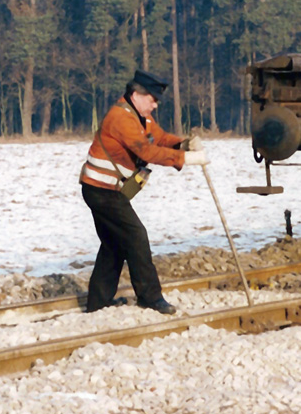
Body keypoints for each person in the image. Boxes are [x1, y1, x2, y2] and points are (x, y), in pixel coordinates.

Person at [79, 69, 208, 314]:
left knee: (113, 244)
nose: (155, 105)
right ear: (137, 94)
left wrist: (183, 143)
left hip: (103, 190)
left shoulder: (139, 116)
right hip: (102, 191)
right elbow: (146, 152)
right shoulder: (121, 118)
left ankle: (98, 302)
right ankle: (150, 297)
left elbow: (158, 138)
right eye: (152, 99)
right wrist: (186, 158)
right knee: (136, 237)